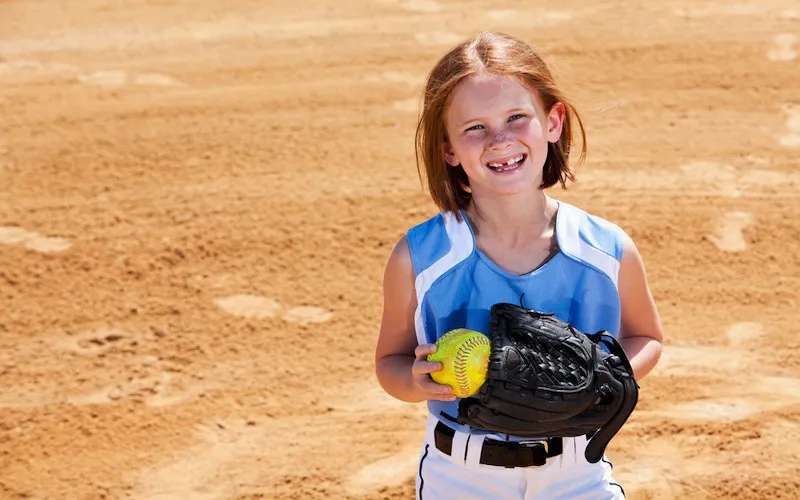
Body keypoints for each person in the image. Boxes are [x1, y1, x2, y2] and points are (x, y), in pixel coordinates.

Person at [374, 31, 664, 499]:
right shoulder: (420, 256)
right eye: (475, 128)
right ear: (448, 148)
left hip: (577, 471)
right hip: (461, 475)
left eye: (516, 118)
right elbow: (390, 361)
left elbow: (646, 336)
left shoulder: (605, 248)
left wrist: (599, 377)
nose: (500, 140)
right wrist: (412, 380)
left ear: (552, 121)